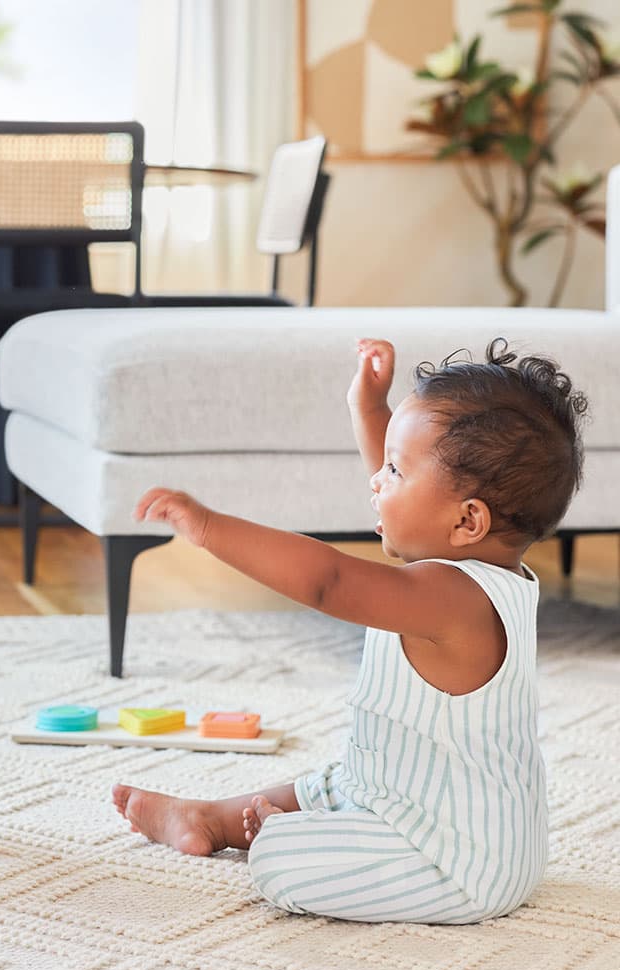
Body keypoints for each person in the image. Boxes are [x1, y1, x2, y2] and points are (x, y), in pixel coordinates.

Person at [112, 337, 587, 924]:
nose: (376, 482)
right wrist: (369, 409)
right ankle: (208, 818)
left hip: (456, 863)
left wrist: (210, 528)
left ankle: (284, 837)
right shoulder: (464, 572)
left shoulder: (452, 600)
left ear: (468, 520)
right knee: (332, 781)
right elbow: (414, 502)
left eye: (393, 469)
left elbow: (328, 580)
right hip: (414, 797)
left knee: (280, 863)